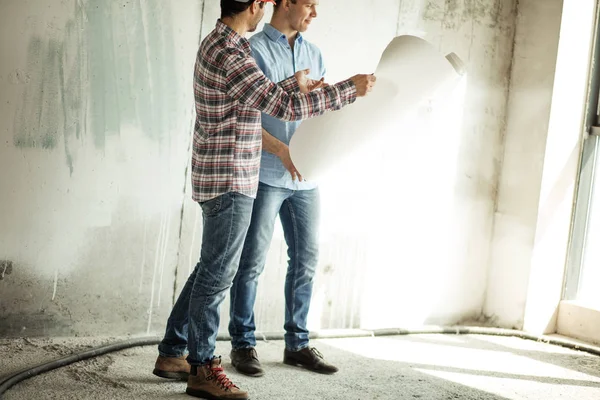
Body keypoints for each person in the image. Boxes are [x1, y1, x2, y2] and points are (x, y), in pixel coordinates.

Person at [152, 0, 377, 399]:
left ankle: (172, 351)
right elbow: (282, 106)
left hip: (226, 173)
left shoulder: (226, 45)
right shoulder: (232, 50)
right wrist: (348, 91)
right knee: (219, 274)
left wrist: (298, 85)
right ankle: (202, 368)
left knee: (212, 267)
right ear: (256, 6)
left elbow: (259, 95)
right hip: (231, 176)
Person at [228, 0, 340, 378]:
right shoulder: (252, 50)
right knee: (251, 264)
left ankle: (298, 345)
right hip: (264, 175)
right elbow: (245, 120)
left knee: (306, 261)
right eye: (309, 4)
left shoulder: (316, 54)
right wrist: (283, 152)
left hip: (307, 179)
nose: (315, 13)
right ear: (286, 3)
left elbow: (317, 114)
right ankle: (243, 345)